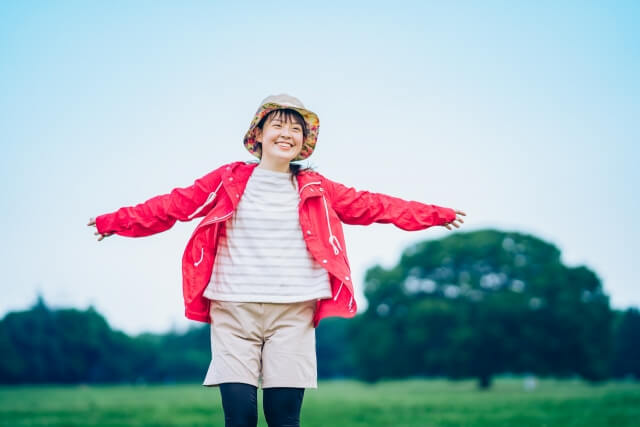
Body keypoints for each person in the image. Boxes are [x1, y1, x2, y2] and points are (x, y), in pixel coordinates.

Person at [88, 94, 466, 427]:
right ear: (259, 134)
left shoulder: (316, 187)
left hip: (293, 314)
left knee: (284, 417)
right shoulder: (228, 179)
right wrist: (115, 222)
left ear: (304, 142)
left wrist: (436, 214)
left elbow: (375, 205)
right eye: (278, 125)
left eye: (296, 129)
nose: (287, 133)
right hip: (234, 312)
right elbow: (173, 205)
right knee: (240, 417)